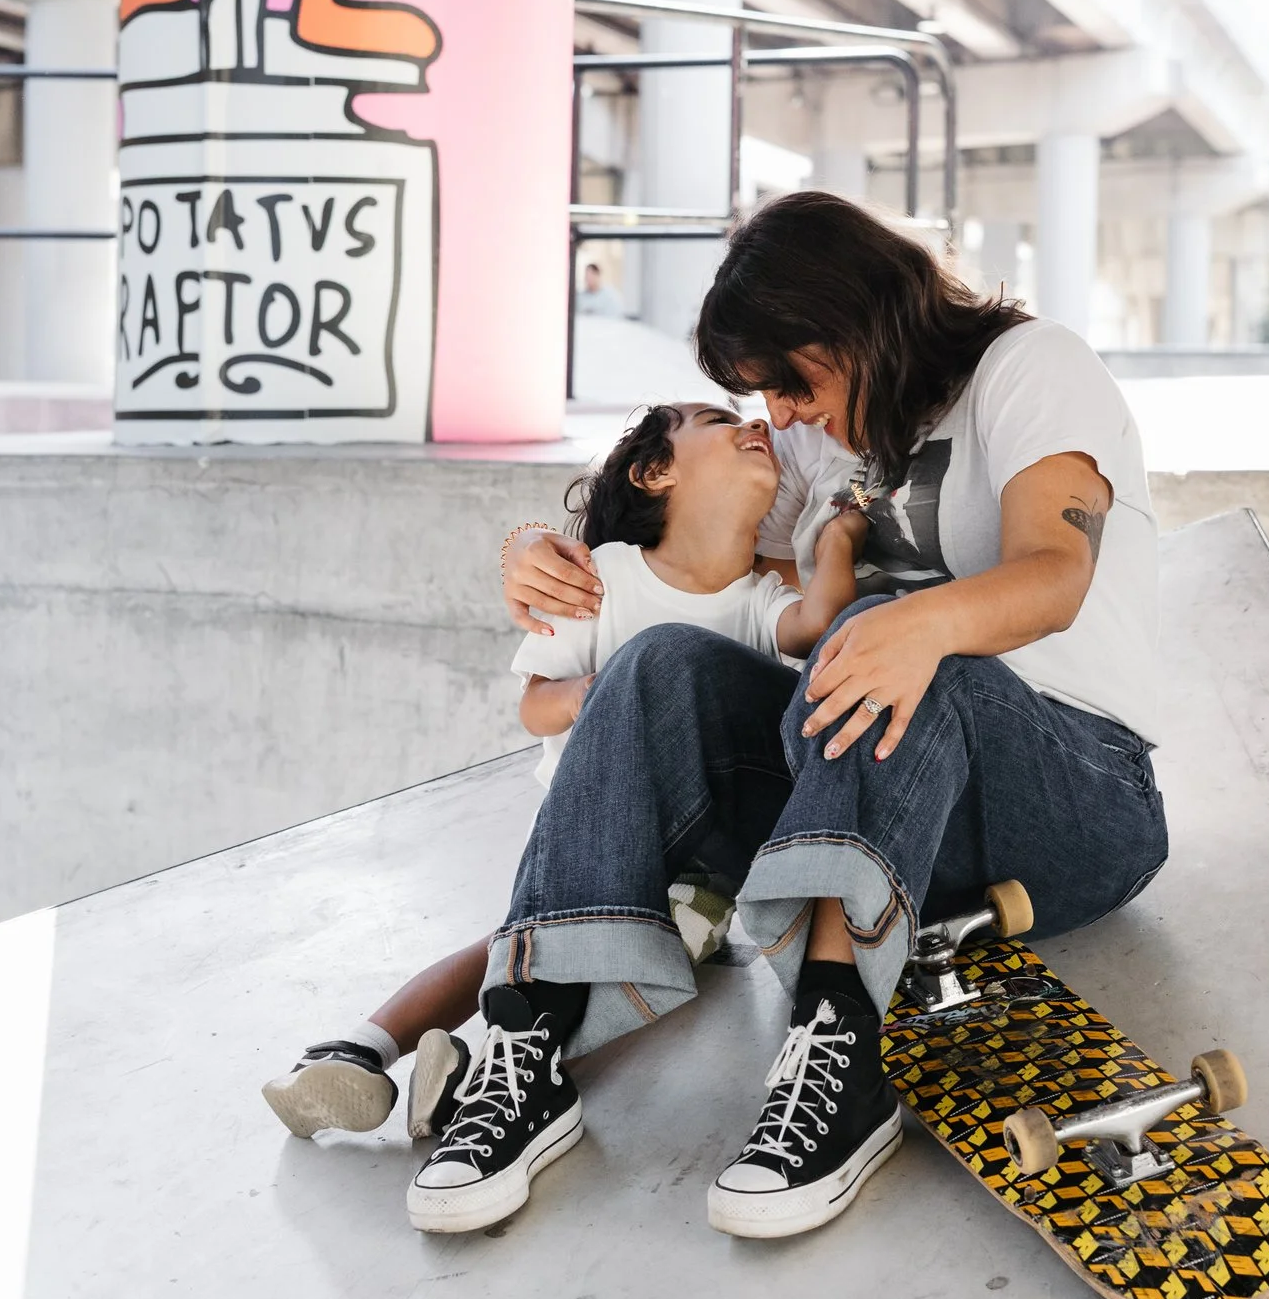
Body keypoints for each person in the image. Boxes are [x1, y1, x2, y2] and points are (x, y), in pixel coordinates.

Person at [416, 189, 1167, 1239]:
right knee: (655, 663)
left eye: (791, 380)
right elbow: (670, 518)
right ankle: (526, 1046)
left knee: (898, 639)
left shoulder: (1029, 368)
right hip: (873, 803)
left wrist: (915, 625)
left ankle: (840, 1051)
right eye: (760, 394)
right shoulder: (817, 447)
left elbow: (1054, 572)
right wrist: (533, 549)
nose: (781, 413)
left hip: (1068, 799)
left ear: (856, 318)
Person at [261, 401, 868, 1143]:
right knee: (521, 947)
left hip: (699, 878)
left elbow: (818, 623)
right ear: (655, 471)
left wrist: (839, 534)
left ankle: (477, 1076)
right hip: (591, 836)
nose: (756, 426)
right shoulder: (602, 578)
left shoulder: (756, 599)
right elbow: (533, 705)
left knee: (607, 968)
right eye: (717, 418)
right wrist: (599, 696)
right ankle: (362, 1047)